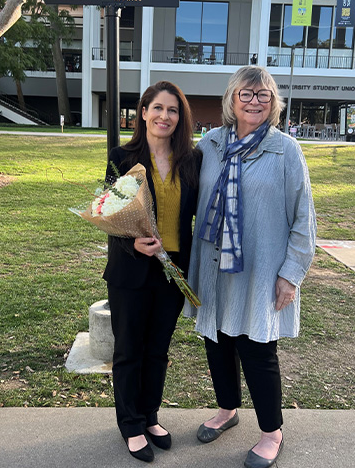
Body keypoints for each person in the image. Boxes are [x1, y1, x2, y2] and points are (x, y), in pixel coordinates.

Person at [186, 66, 316, 468]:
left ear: (273, 103)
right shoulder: (209, 145)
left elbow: (303, 219)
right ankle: (227, 410)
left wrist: (290, 275)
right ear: (231, 100)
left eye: (263, 95)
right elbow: (181, 190)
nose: (255, 101)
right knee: (217, 342)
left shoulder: (285, 150)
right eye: (246, 94)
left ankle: (272, 432)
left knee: (258, 349)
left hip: (261, 271)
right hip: (213, 266)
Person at [103, 81, 202, 463]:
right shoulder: (121, 157)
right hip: (131, 272)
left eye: (173, 110)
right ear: (143, 112)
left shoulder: (191, 161)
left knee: (157, 350)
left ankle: (149, 415)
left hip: (172, 272)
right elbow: (109, 214)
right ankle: (130, 424)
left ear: (181, 118)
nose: (165, 116)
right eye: (157, 108)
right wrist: (133, 244)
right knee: (129, 350)